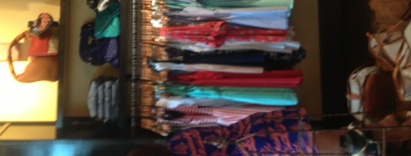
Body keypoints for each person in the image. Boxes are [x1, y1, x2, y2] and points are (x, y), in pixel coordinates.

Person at [127, 109, 411, 156]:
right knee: (331, 140)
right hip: (254, 133)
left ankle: (395, 132)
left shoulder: (179, 145)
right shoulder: (176, 140)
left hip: (258, 145)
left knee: (336, 144)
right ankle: (390, 127)